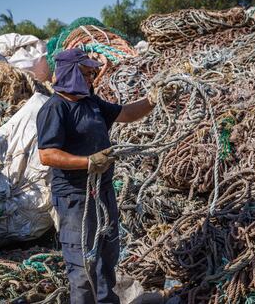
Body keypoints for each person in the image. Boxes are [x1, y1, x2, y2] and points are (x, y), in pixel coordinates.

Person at [36, 48, 169, 304]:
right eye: (86, 73)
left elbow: (126, 113)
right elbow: (48, 155)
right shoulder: (55, 108)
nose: (91, 79)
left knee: (106, 259)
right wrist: (88, 162)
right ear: (70, 73)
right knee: (83, 265)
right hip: (76, 199)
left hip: (103, 194)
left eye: (92, 73)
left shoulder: (91, 102)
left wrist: (153, 99)